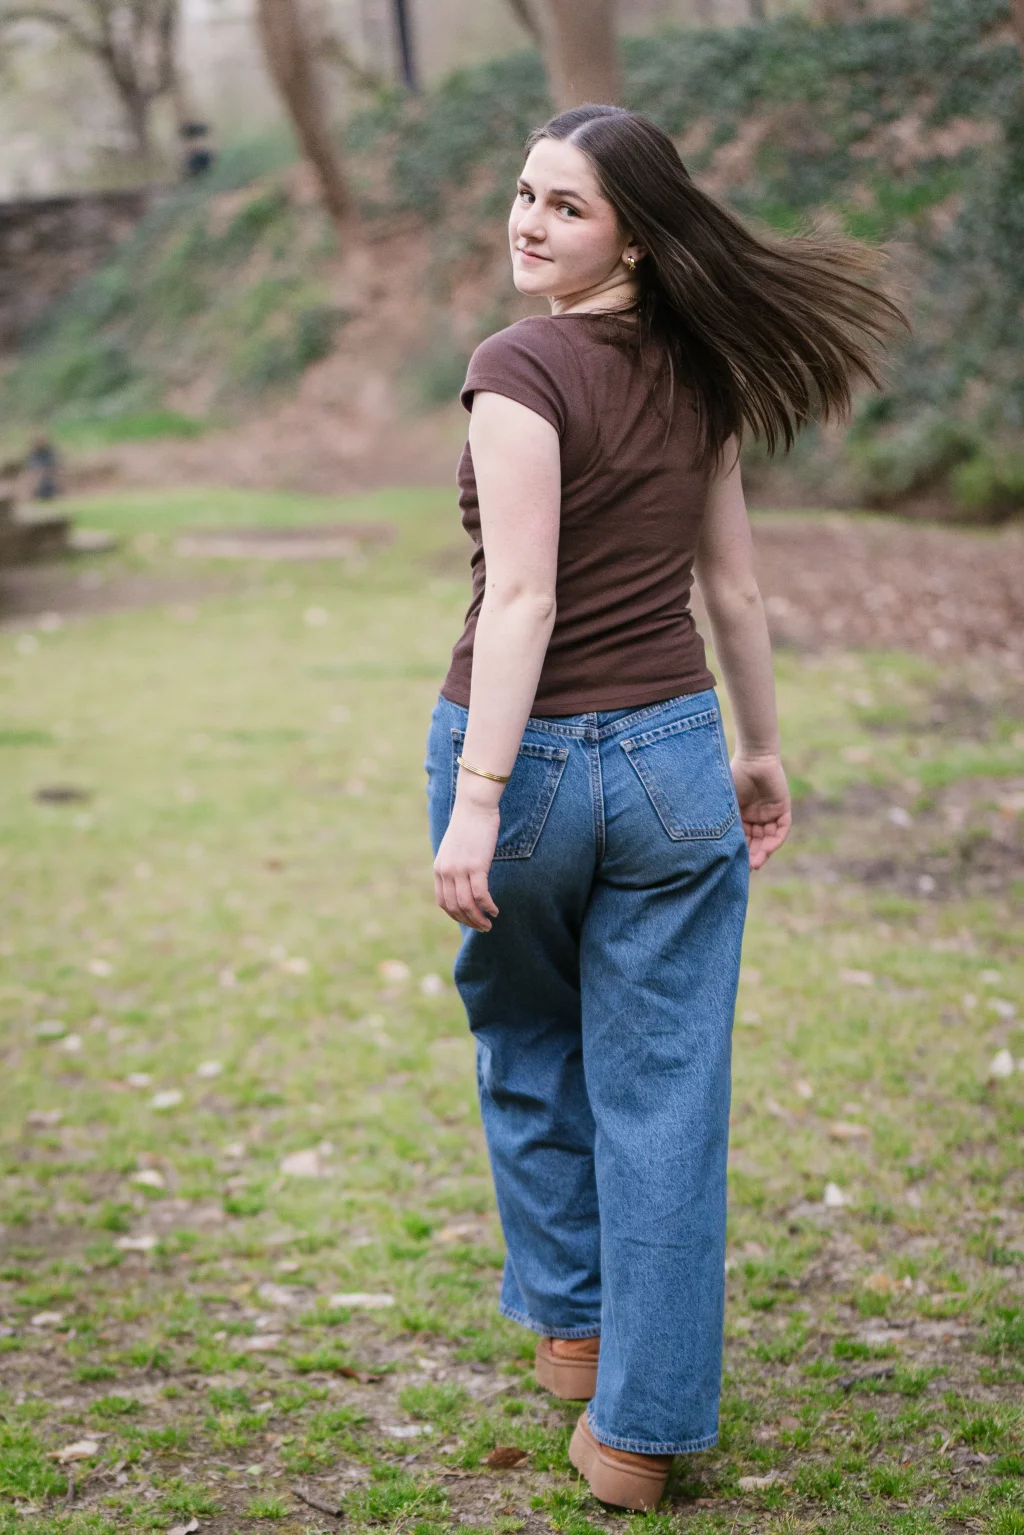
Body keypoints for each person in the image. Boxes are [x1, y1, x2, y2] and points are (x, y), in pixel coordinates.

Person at [424, 104, 902, 1512]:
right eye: (522, 194)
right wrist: (756, 748)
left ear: (631, 226)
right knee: (666, 1095)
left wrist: (477, 801)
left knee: (526, 1036)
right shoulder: (701, 368)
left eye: (564, 206)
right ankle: (634, 1422)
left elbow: (522, 596)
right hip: (675, 763)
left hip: (528, 766)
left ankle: (580, 1339)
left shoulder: (517, 366)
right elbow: (734, 591)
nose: (526, 221)